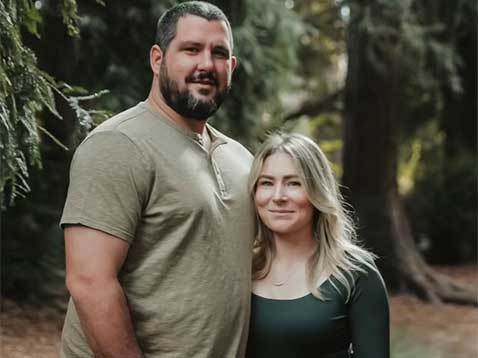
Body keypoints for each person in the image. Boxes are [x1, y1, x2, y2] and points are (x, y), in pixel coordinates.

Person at [60, 2, 255, 357]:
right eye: (191, 49)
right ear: (157, 59)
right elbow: (89, 284)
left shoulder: (241, 160)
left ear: (231, 67)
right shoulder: (118, 144)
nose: (206, 65)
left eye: (219, 53)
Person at [246, 133, 390, 358]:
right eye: (266, 183)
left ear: (317, 191)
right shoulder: (240, 269)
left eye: (294, 183)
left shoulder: (355, 273)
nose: (278, 196)